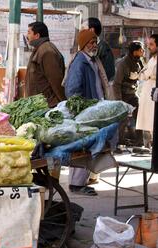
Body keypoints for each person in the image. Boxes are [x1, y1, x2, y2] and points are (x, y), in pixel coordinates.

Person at [64, 29, 110, 196]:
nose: (94, 45)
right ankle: (76, 184)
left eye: (95, 42)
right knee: (82, 148)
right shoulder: (80, 62)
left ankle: (80, 182)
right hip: (85, 112)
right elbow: (72, 90)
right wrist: (82, 109)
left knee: (88, 148)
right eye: (91, 42)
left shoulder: (92, 60)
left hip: (94, 110)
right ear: (83, 45)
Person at [112, 41, 145, 152]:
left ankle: (139, 141)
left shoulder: (139, 62)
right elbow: (116, 84)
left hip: (132, 93)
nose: (143, 52)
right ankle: (119, 142)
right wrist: (119, 101)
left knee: (139, 114)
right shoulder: (123, 64)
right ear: (134, 52)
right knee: (123, 118)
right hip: (122, 94)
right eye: (141, 50)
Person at [25, 21, 66, 107]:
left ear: (37, 36)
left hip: (48, 104)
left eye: (29, 33)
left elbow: (56, 80)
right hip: (39, 103)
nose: (27, 36)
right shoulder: (40, 48)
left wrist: (63, 102)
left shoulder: (47, 51)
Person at [137, 34, 158, 150]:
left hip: (154, 91)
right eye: (148, 44)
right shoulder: (152, 59)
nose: (149, 47)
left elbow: (148, 74)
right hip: (148, 90)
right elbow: (144, 74)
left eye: (151, 44)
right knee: (149, 122)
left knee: (153, 119)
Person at [87, 17, 116, 82]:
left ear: (91, 30)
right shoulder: (86, 47)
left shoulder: (104, 48)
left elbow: (109, 73)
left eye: (84, 28)